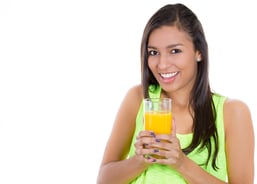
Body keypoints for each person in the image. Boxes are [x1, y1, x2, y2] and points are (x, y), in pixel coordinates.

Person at [96, 3, 254, 184]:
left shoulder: (232, 112)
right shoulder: (138, 98)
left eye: (175, 51)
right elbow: (103, 179)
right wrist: (140, 160)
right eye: (153, 52)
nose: (162, 64)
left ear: (199, 52)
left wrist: (181, 163)